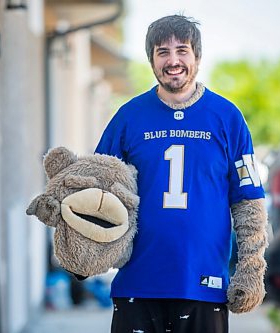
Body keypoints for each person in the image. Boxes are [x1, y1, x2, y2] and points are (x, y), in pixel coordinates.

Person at [95, 15, 268, 333]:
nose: (173, 61)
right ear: (151, 60)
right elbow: (97, 191)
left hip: (204, 285)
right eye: (162, 52)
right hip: (137, 283)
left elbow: (248, 201)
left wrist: (251, 268)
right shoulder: (128, 117)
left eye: (182, 50)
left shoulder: (227, 117)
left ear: (197, 57)